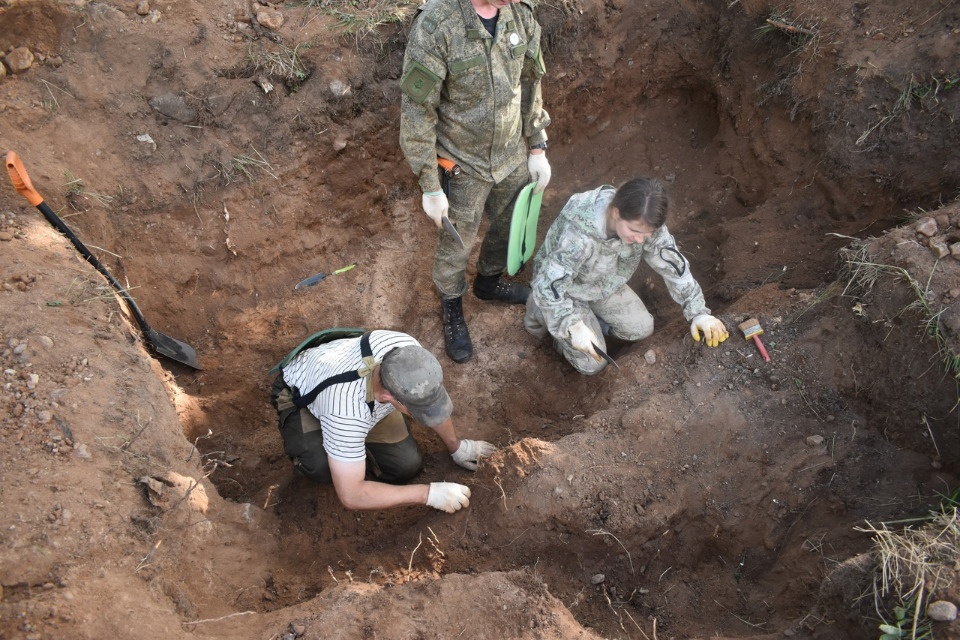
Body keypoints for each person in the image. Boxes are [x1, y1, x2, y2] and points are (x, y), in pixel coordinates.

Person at [399, 0, 552, 364]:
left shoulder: (521, 15)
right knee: (457, 243)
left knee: (508, 225)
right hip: (461, 163)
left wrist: (537, 145)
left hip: (510, 155)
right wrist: (430, 186)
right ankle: (452, 305)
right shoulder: (437, 26)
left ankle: (488, 282)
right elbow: (417, 113)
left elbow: (530, 82)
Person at [270, 330, 496, 513]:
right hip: (302, 394)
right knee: (320, 467)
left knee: (405, 466)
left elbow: (429, 398)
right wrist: (428, 494)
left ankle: (351, 454)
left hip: (349, 381)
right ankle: (340, 452)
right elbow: (351, 495)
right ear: (389, 397)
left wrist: (457, 447)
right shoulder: (345, 412)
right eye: (417, 410)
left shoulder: (409, 352)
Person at [524, 178, 730, 375]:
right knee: (593, 364)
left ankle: (591, 321)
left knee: (641, 329)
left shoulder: (646, 219)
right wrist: (572, 326)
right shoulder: (579, 233)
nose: (640, 240)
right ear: (616, 212)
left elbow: (672, 264)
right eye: (634, 231)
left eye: (646, 234)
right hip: (564, 290)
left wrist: (698, 312)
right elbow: (549, 285)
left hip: (604, 283)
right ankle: (537, 309)